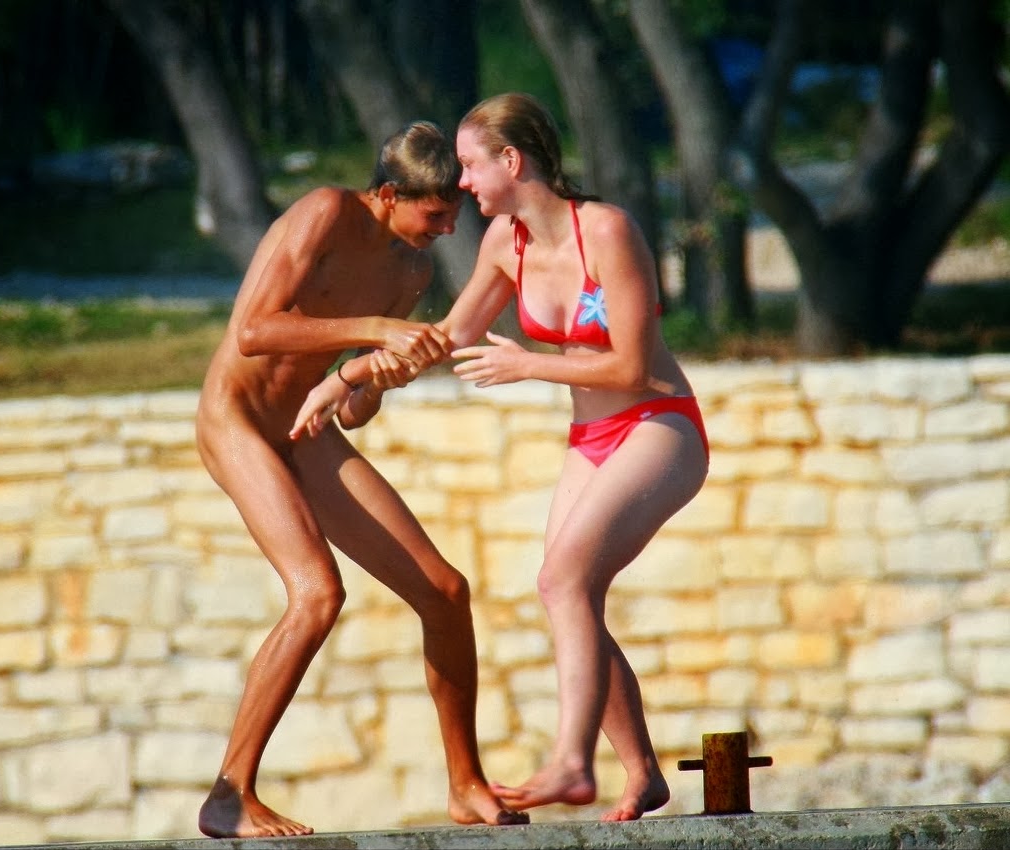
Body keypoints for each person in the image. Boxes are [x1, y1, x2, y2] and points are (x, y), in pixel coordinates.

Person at [293, 93, 709, 822]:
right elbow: (448, 338)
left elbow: (633, 368)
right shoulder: (502, 243)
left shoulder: (606, 231)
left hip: (659, 425)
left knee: (564, 579)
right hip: (591, 438)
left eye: (469, 165)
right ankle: (642, 772)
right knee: (568, 591)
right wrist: (349, 375)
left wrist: (528, 366)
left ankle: (572, 763)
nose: (460, 183)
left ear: (511, 162)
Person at [195, 120, 528, 838]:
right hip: (237, 418)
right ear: (388, 195)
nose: (447, 230)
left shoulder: (411, 272)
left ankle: (466, 784)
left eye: (454, 215)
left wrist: (377, 379)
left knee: (444, 591)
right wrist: (377, 330)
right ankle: (229, 795)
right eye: (434, 215)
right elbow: (253, 332)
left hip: (306, 427)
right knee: (318, 593)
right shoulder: (325, 212)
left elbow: (351, 411)